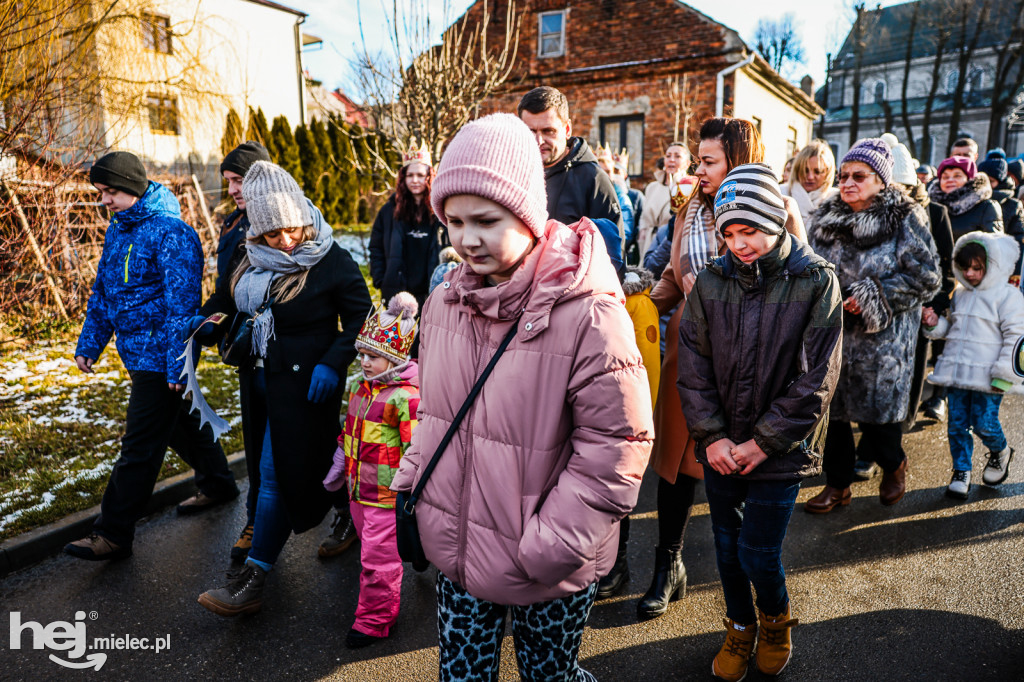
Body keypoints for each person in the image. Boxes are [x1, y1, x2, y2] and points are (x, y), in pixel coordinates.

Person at [390, 113, 653, 681]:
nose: (466, 238)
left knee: (549, 675)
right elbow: (435, 413)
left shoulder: (588, 311)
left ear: (529, 216)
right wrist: (411, 485)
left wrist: (548, 545)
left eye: (485, 219)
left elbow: (618, 442)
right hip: (458, 551)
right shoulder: (444, 304)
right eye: (454, 221)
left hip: (547, 563)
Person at [677, 163, 842, 682]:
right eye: (728, 232)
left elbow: (819, 376)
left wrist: (763, 442)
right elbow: (693, 365)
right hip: (722, 445)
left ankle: (774, 620)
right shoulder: (710, 281)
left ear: (774, 219)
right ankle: (740, 625)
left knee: (758, 551)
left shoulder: (816, 280)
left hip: (781, 449)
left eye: (748, 229)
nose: (738, 243)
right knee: (725, 548)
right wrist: (714, 436)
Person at [642, 117, 805, 622]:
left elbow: (799, 279)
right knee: (675, 470)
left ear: (739, 160)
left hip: (750, 363)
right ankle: (667, 566)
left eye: (709, 160)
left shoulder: (781, 208)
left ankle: (750, 589)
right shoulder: (689, 209)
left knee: (735, 473)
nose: (699, 168)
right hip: (689, 356)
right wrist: (635, 299)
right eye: (698, 158)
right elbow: (674, 276)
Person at [195, 161, 372, 616]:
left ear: (302, 214)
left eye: (292, 229)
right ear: (258, 232)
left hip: (308, 385)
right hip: (259, 382)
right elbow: (224, 300)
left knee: (274, 478)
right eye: (273, 235)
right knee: (314, 461)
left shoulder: (330, 257)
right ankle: (350, 516)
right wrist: (208, 323)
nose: (287, 242)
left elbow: (359, 318)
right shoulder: (247, 254)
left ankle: (252, 581)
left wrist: (334, 362)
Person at [66, 152, 239, 561]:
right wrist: (90, 343)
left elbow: (183, 308)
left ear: (132, 185)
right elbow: (104, 294)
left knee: (140, 445)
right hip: (134, 351)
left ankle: (112, 533)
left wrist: (178, 363)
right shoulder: (119, 230)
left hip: (161, 356)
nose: (104, 200)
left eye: (111, 191)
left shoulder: (171, 233)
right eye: (101, 193)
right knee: (178, 424)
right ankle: (219, 484)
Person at [805, 138, 941, 513]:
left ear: (881, 180)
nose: (847, 182)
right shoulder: (826, 218)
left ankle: (894, 464)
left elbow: (928, 277)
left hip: (883, 342)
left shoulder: (905, 217)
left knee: (879, 423)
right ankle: (837, 486)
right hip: (833, 337)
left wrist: (871, 295)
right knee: (833, 417)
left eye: (859, 176)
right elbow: (811, 269)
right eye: (845, 175)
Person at [323, 292, 420, 648]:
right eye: (361, 354)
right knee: (372, 551)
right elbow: (349, 433)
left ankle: (374, 620)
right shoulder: (361, 389)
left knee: (378, 561)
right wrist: (339, 465)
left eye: (373, 356)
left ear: (394, 358)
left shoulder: (406, 396)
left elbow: (416, 448)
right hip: (358, 492)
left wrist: (411, 490)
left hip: (386, 495)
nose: (363, 361)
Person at [923, 232, 1024, 499]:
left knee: (984, 423)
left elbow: (1017, 336)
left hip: (989, 376)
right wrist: (934, 324)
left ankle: (1000, 450)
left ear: (993, 266)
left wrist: (1006, 374)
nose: (969, 274)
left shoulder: (1008, 297)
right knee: (956, 425)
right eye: (965, 267)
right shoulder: (961, 295)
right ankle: (961, 471)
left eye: (977, 268)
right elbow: (952, 330)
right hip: (956, 374)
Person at [883, 138, 955, 432]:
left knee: (911, 375)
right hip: (881, 306)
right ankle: (873, 443)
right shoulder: (872, 212)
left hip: (918, 310)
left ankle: (896, 436)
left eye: (901, 187)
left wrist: (935, 306)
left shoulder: (935, 214)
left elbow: (946, 268)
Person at [517, 86, 624, 237]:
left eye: (548, 131)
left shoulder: (593, 179)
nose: (539, 140)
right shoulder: (514, 174)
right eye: (531, 131)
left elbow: (612, 251)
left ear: (567, 129)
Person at [369, 144, 446, 311]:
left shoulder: (441, 211)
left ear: (429, 176)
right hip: (397, 293)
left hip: (431, 293)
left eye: (420, 175)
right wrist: (380, 279)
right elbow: (376, 247)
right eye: (410, 175)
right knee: (398, 336)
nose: (415, 180)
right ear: (403, 178)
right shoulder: (389, 211)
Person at [216, 141, 272, 292]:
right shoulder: (233, 221)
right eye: (228, 181)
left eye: (238, 181)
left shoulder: (276, 226)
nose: (231, 190)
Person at [638, 142, 696, 257]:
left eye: (677, 156)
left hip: (671, 244)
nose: (672, 160)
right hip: (647, 243)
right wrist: (642, 234)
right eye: (668, 156)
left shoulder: (690, 187)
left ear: (687, 163)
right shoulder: (652, 187)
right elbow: (644, 217)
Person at [929, 155, 1003, 241]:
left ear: (969, 179)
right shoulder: (932, 206)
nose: (950, 180)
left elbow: (995, 245)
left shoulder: (986, 207)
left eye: (957, 176)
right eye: (945, 177)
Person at [978, 149, 1024, 282]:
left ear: (1000, 181)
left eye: (991, 181)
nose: (986, 186)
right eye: (983, 180)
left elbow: (1019, 241)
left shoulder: (1013, 205)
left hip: (1002, 270)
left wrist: (1014, 274)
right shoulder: (971, 200)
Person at [780, 139, 837, 235]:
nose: (810, 177)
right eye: (805, 170)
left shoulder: (836, 199)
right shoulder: (780, 193)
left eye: (817, 171)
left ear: (828, 172)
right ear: (797, 169)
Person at [596, 144, 635, 247]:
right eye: (600, 172)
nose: (604, 176)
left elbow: (625, 234)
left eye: (608, 172)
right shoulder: (588, 195)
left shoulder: (621, 198)